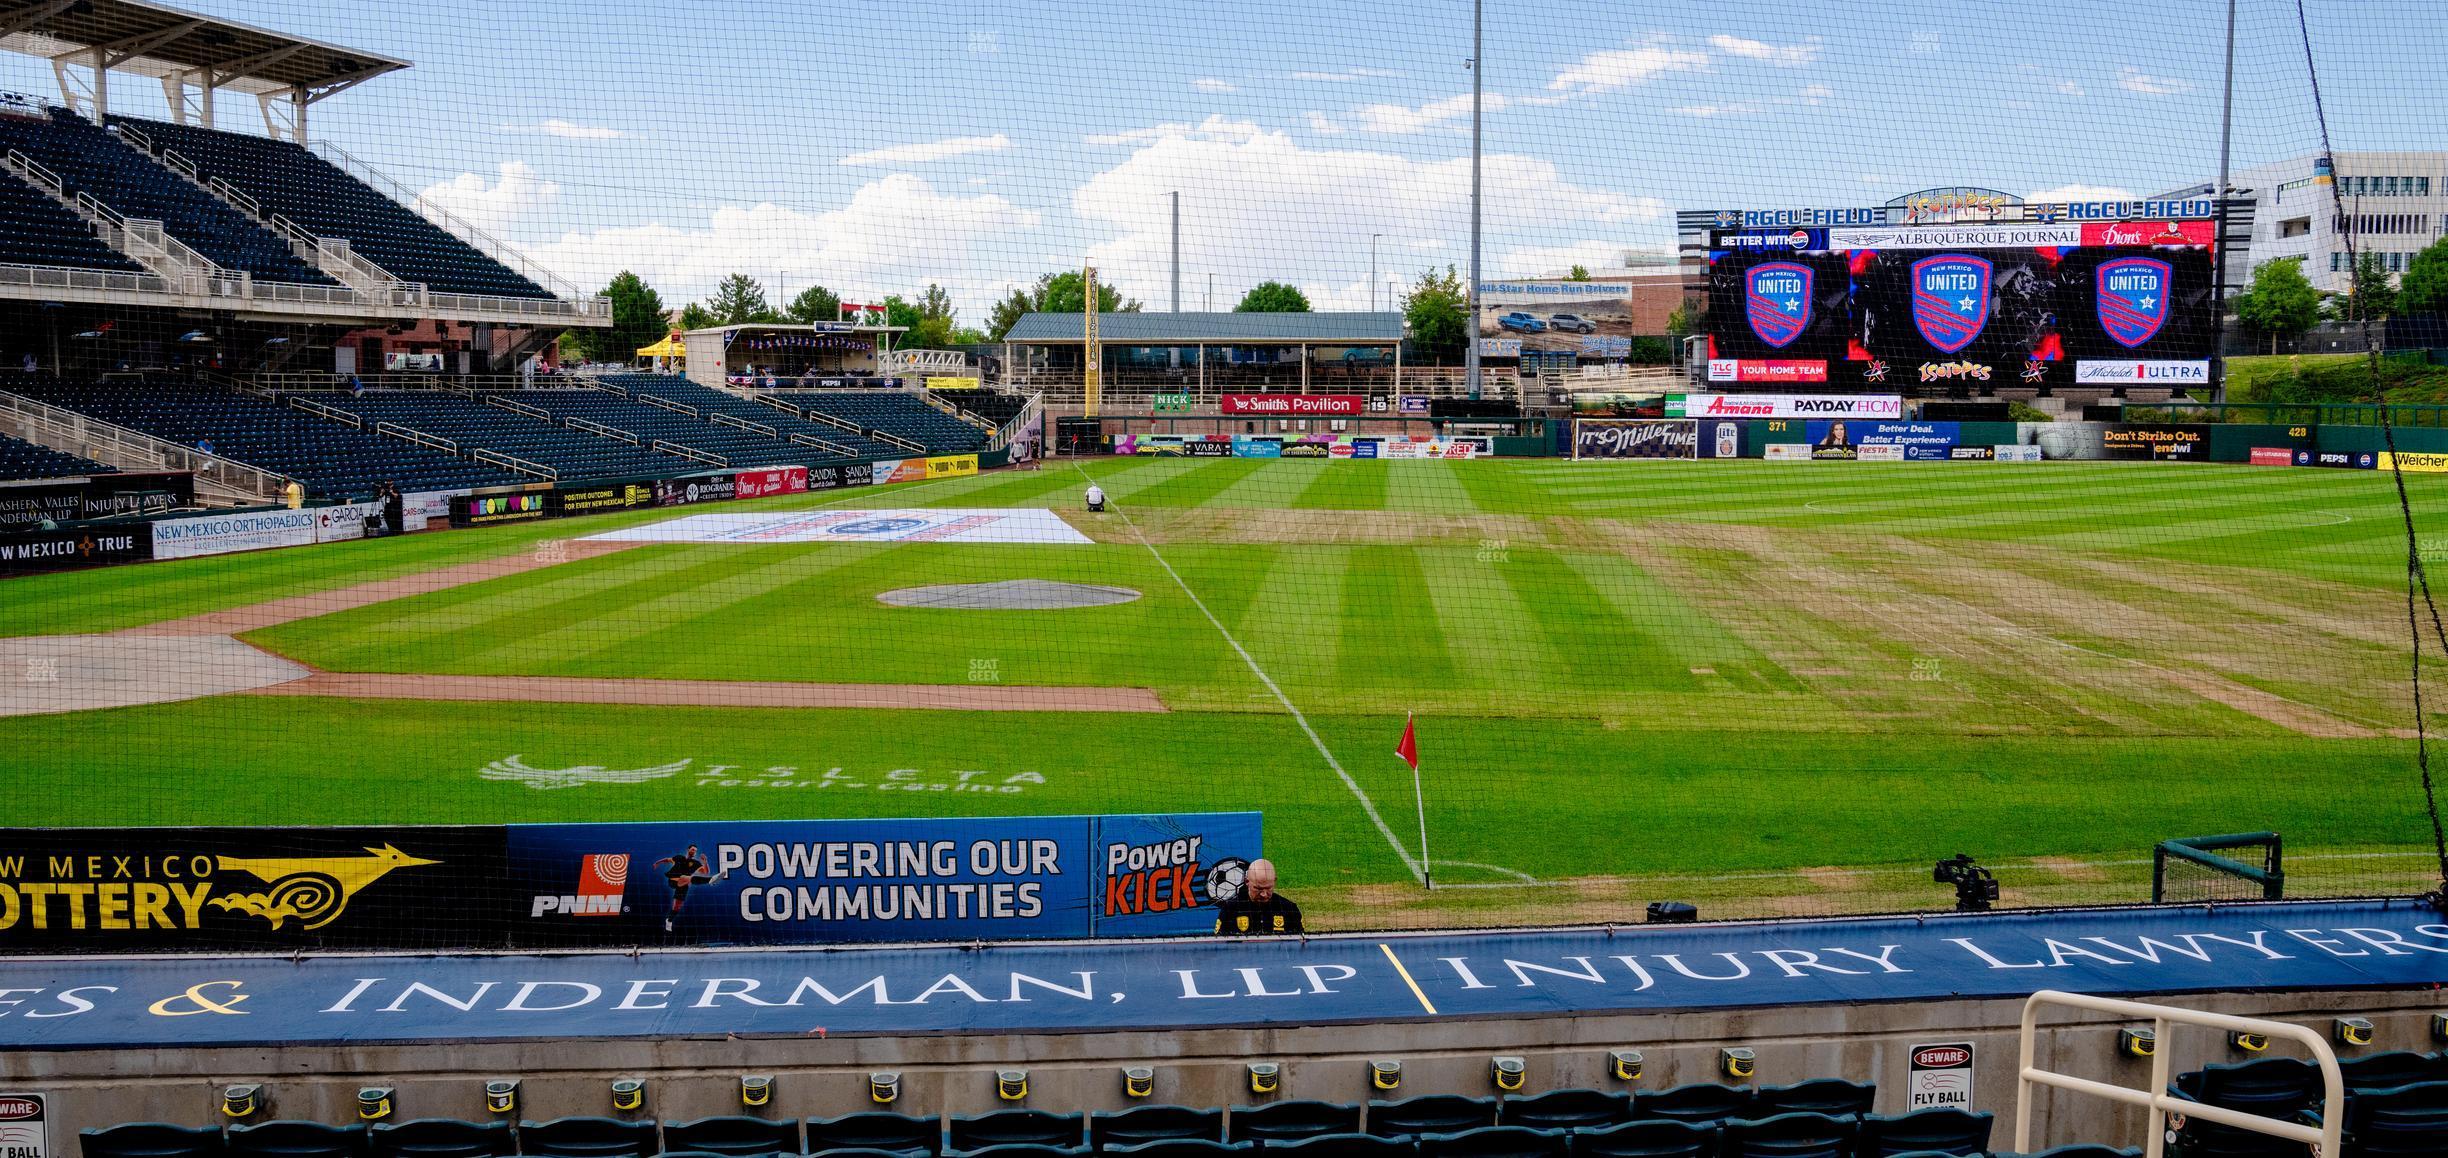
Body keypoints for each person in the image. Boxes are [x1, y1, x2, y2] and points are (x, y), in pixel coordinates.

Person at [1213, 859, 1302, 936]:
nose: (1264, 894)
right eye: (1258, 888)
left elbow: (1300, 944)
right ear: (1247, 881)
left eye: (1268, 888)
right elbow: (1219, 943)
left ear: (1274, 881)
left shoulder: (1288, 909)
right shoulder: (1231, 909)